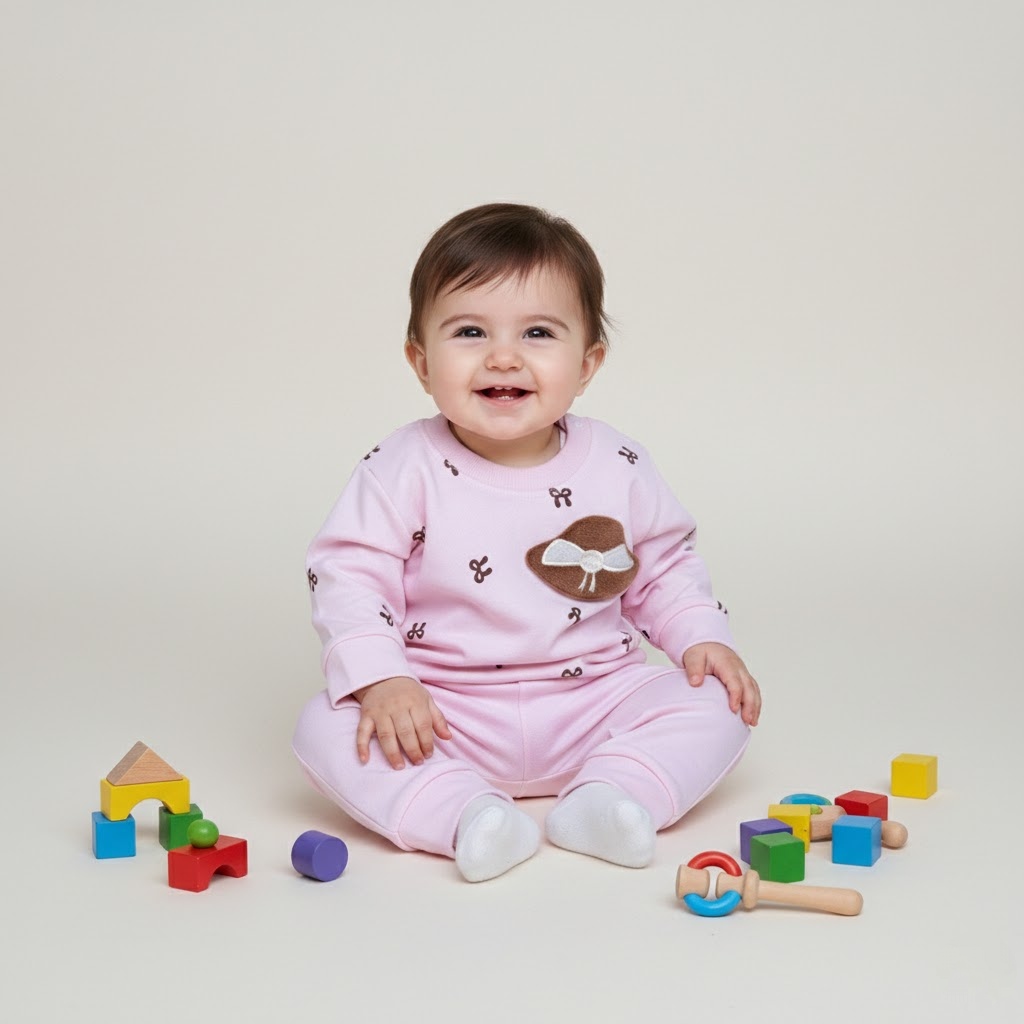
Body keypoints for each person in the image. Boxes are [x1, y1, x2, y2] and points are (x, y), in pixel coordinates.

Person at [292, 203, 761, 882]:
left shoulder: (618, 463)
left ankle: (612, 795)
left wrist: (699, 636)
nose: (503, 356)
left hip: (595, 698)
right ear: (421, 362)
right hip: (444, 710)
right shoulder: (401, 467)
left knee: (720, 699)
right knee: (325, 724)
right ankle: (467, 814)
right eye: (470, 332)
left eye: (538, 332)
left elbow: (662, 567)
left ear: (588, 363)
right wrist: (383, 679)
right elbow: (349, 575)